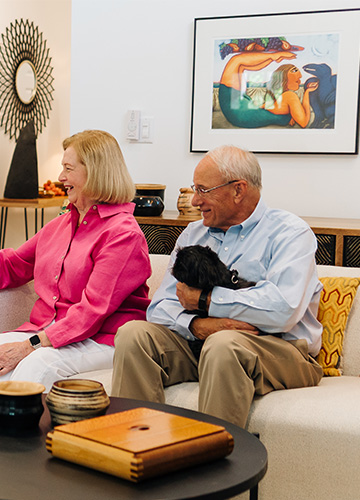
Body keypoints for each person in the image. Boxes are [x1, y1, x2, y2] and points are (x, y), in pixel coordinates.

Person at [111, 145, 323, 428]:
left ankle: (213, 467)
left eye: (203, 190)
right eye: (194, 189)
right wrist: (199, 326)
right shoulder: (193, 234)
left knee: (224, 345)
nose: (195, 201)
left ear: (238, 190)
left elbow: (282, 309)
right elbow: (161, 307)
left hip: (281, 350)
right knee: (133, 334)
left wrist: (205, 301)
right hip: (202, 344)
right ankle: (136, 450)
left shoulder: (289, 233)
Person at [0, 130, 151, 396]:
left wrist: (32, 344)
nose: (60, 178)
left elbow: (92, 311)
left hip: (103, 339)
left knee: (38, 362)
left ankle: (17, 437)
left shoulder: (123, 234)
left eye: (68, 168)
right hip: (54, 330)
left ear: (96, 172)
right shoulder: (63, 223)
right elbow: (16, 263)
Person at [218, 51, 317, 129]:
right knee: (241, 65)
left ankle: (274, 56)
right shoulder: (284, 97)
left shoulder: (289, 96)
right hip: (240, 108)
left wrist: (307, 93)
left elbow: (303, 123)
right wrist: (272, 59)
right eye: (294, 71)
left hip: (239, 112)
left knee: (236, 60)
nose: (300, 78)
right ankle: (274, 56)